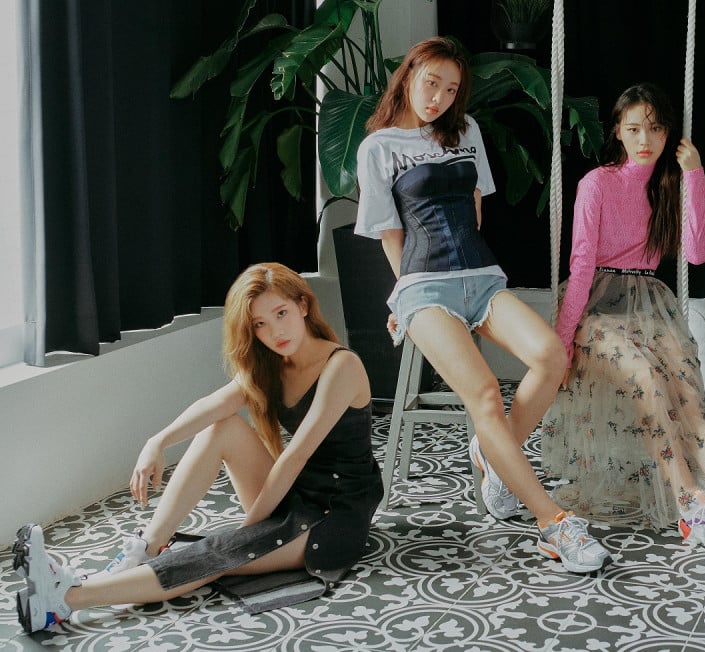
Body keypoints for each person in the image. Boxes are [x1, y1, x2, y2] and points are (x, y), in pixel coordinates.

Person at [355, 36, 611, 574]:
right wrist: (404, 294)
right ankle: (553, 524)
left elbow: (474, 208)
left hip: (482, 277)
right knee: (487, 394)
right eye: (431, 83)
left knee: (551, 357)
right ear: (409, 76)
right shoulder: (378, 147)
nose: (440, 98)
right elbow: (390, 234)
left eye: (451, 89)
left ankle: (494, 453)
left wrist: (476, 275)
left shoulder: (466, 131)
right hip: (425, 286)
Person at [12, 263, 384, 633]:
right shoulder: (273, 366)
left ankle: (65, 600)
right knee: (222, 427)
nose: (275, 332)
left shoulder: (341, 366)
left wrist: (246, 534)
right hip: (299, 495)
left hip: (336, 518)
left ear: (303, 305)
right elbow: (215, 405)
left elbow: (294, 456)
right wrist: (157, 441)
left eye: (281, 313)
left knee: (217, 553)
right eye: (260, 324)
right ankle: (147, 548)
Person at [540, 83, 705, 555]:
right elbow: (580, 265)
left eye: (656, 129)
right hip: (598, 304)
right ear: (617, 132)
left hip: (648, 300)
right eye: (634, 129)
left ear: (669, 135)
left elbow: (698, 252)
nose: (645, 140)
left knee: (685, 378)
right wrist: (563, 339)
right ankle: (690, 502)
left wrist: (695, 174)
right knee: (646, 377)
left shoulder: (671, 185)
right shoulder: (597, 183)